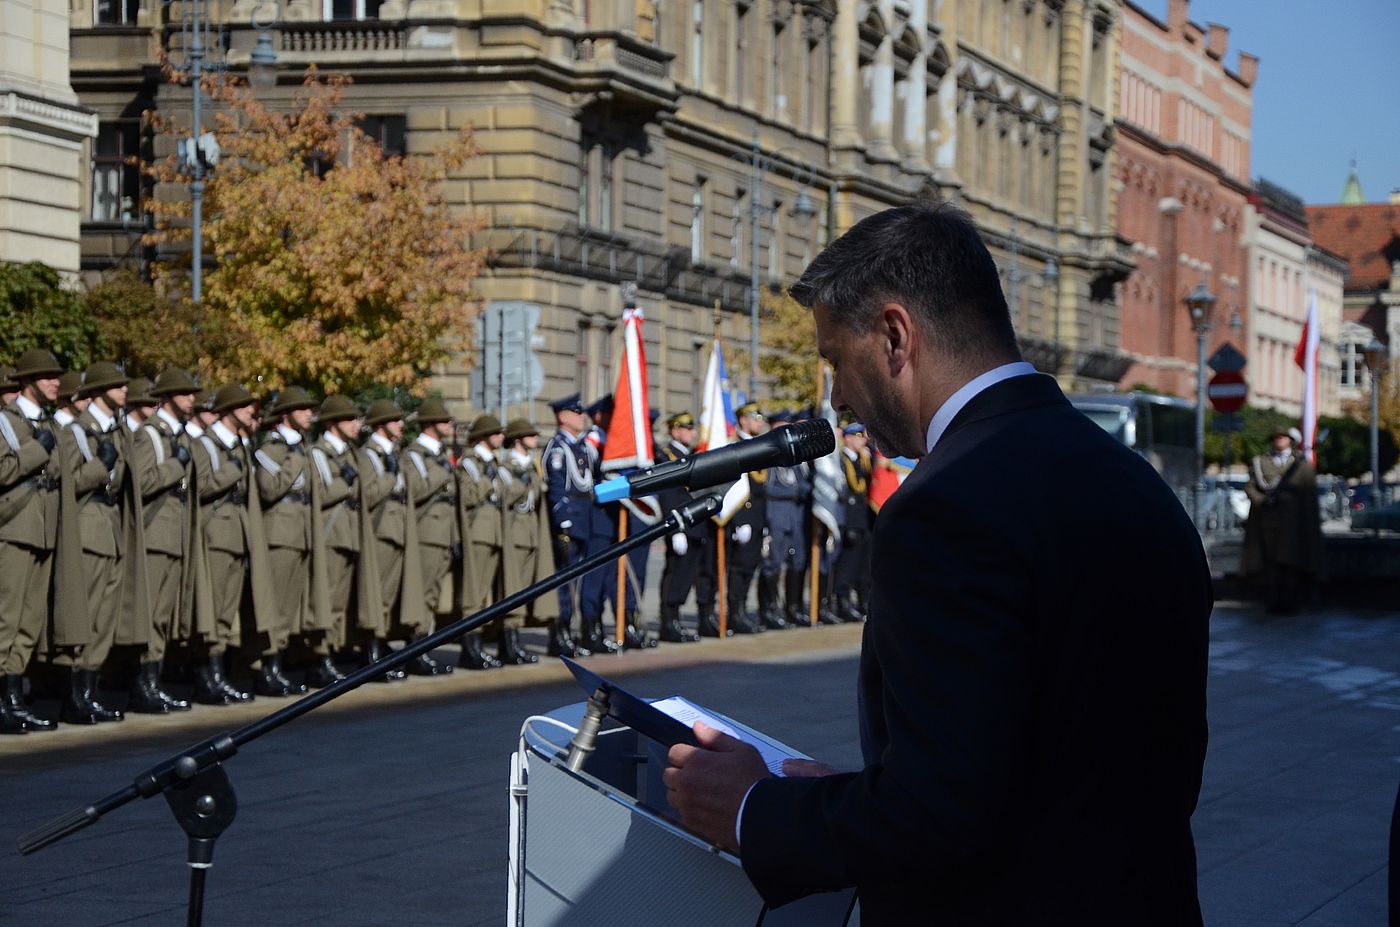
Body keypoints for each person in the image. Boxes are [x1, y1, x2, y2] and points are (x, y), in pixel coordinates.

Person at [663, 202, 1212, 924]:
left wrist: (753, 809)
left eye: (836, 360)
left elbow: (941, 815)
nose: (838, 398)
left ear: (895, 336)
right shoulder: (1134, 481)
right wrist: (856, 794)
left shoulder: (945, 508)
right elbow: (1045, 761)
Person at [0, 349, 65, 732]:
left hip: (42, 529)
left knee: (29, 621)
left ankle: (13, 698)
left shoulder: (47, 423)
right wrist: (38, 448)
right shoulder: (6, 422)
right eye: (46, 376)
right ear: (27, 382)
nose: (55, 382)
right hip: (13, 529)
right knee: (6, 618)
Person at [127, 367, 198, 713]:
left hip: (175, 534)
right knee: (151, 612)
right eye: (185, 393)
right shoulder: (149, 434)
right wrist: (174, 466)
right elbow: (141, 483)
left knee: (164, 615)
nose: (192, 399)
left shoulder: (177, 435)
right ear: (167, 397)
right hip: (156, 534)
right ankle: (143, 686)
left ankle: (153, 683)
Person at [543, 394, 605, 657]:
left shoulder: (581, 447)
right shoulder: (558, 449)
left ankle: (576, 632)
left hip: (585, 520)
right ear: (563, 417)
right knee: (563, 583)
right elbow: (557, 488)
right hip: (569, 523)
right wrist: (563, 522)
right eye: (577, 413)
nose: (582, 417)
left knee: (578, 581)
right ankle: (560, 635)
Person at [1242, 427, 1324, 613]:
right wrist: (1263, 501)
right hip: (1268, 520)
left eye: (1283, 437)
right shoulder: (1261, 462)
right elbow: (1251, 487)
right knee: (1270, 562)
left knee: (1291, 560)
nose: (1279, 440)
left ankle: (1291, 600)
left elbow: (1307, 493)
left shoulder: (1301, 464)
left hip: (1292, 522)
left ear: (1290, 440)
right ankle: (1274, 600)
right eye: (1276, 437)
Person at [399, 399, 454, 676]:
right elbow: (417, 490)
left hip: (443, 533)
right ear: (431, 424)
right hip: (427, 533)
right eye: (444, 421)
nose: (449, 425)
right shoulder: (415, 455)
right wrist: (442, 471)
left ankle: (423, 647)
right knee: (421, 595)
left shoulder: (440, 454)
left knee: (432, 596)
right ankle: (415, 650)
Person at [498, 418, 554, 663]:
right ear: (518, 439)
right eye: (531, 435)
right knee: (512, 589)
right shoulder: (507, 466)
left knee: (523, 590)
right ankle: (508, 643)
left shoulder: (531, 466)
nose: (536, 438)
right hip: (515, 533)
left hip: (531, 533)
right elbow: (506, 497)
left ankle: (515, 641)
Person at [457, 413, 507, 669]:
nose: (501, 436)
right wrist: (487, 479)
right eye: (496, 433)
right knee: (473, 594)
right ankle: (470, 649)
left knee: (482, 594)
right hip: (478, 532)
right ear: (484, 436)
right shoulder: (470, 462)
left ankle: (477, 647)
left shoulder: (491, 461)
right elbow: (468, 496)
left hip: (493, 532)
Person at [760, 408, 813, 628]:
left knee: (797, 561)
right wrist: (793, 491)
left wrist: (803, 489)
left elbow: (803, 483)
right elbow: (766, 487)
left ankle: (792, 608)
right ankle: (769, 610)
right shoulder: (767, 453)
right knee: (773, 563)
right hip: (776, 514)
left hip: (795, 516)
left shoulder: (793, 456)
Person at [654, 412, 703, 644]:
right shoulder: (666, 457)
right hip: (680, 524)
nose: (692, 433)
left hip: (693, 524)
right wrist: (675, 530)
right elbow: (668, 495)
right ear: (675, 431)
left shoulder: (687, 456)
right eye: (687, 428)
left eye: (692, 428)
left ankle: (676, 619)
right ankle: (668, 622)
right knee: (675, 573)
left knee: (687, 574)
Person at [722, 402, 768, 634]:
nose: (760, 422)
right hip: (744, 517)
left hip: (758, 517)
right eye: (755, 417)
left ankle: (741, 610)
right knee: (739, 568)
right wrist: (741, 521)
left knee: (750, 566)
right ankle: (734, 613)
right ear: (742, 420)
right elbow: (736, 487)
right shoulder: (736, 447)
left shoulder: (758, 446)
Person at [832, 422, 873, 622]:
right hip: (849, 519)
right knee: (847, 564)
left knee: (863, 564)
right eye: (858, 437)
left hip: (863, 518)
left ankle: (863, 601)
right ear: (847, 438)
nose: (862, 440)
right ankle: (842, 603)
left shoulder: (864, 460)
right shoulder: (842, 460)